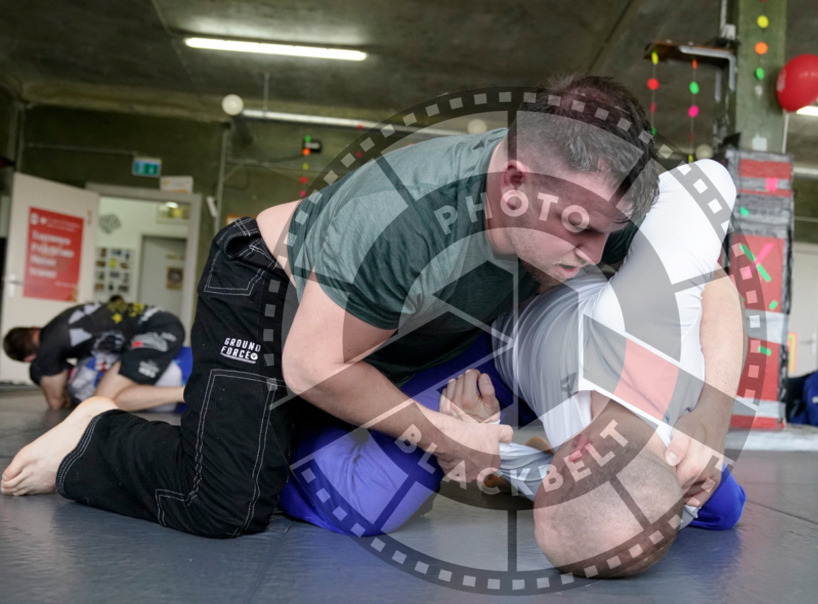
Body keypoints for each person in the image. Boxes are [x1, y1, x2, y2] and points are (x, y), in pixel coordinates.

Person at [3, 76, 741, 542]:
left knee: (362, 490)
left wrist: (707, 425)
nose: (591, 253)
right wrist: (447, 431)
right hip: (273, 300)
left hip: (412, 333)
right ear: (514, 180)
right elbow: (312, 362)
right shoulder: (404, 219)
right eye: (577, 231)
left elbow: (712, 287)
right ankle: (99, 435)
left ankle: (272, 437)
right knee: (223, 504)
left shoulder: (589, 194)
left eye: (604, 234)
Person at [280, 159, 746, 577]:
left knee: (358, 505)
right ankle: (332, 395)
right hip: (500, 333)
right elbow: (706, 180)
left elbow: (508, 468)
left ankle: (319, 417)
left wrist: (474, 443)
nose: (537, 485)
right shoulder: (647, 322)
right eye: (546, 488)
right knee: (724, 507)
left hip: (503, 375)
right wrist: (715, 413)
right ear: (578, 453)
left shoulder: (662, 489)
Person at [3, 300, 186, 411]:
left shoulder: (48, 348)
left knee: (103, 401)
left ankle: (188, 393)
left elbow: (56, 402)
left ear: (29, 358)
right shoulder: (59, 323)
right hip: (158, 321)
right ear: (35, 327)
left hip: (158, 329)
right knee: (105, 397)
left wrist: (41, 372)